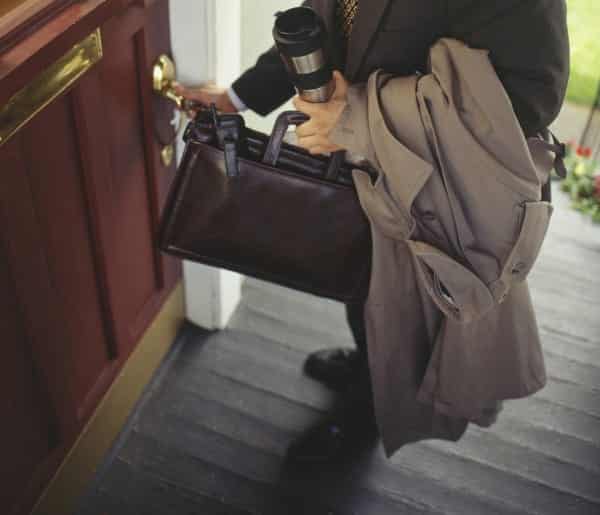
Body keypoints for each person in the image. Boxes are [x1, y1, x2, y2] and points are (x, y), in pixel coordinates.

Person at [174, 0, 570, 463]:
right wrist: (236, 98)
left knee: (402, 316)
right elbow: (326, 20)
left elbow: (528, 96)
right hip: (359, 176)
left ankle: (365, 415)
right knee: (361, 290)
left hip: (431, 192)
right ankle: (366, 366)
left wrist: (359, 117)